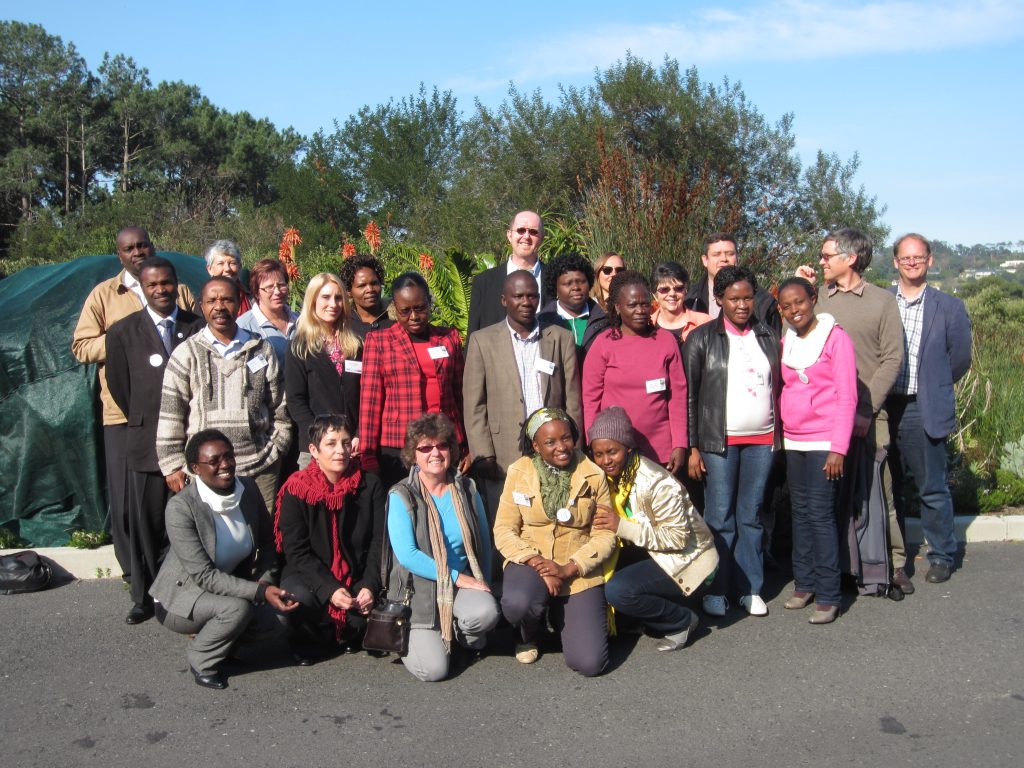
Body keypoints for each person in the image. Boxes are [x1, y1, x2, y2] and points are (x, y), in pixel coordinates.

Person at [72, 226, 195, 584]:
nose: (137, 252)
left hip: (180, 413)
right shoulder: (105, 295)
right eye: (129, 248)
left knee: (179, 497)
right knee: (131, 504)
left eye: (143, 245)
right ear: (120, 255)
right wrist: (124, 340)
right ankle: (135, 575)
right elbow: (81, 347)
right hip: (125, 413)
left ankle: (179, 576)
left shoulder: (180, 289)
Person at [796, 228, 905, 596]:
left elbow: (892, 359)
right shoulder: (818, 299)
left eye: (827, 255)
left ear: (851, 258)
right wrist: (799, 288)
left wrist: (865, 408)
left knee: (878, 496)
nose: (821, 260)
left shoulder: (881, 301)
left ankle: (892, 566)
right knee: (832, 501)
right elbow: (792, 342)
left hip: (870, 417)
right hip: (824, 422)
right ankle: (841, 570)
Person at [150, 430, 299, 689]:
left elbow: (266, 544)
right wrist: (259, 593)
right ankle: (202, 659)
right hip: (180, 599)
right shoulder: (181, 508)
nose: (226, 464)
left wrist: (264, 583)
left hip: (228, 586)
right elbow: (203, 576)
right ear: (195, 468)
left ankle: (223, 647)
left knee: (277, 620)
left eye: (229, 456)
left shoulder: (248, 489)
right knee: (236, 610)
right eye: (215, 460)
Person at [463, 271, 582, 576]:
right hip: (501, 455)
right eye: (518, 296)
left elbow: (572, 399)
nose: (526, 302)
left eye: (532, 295)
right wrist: (482, 453)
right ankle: (504, 591)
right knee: (504, 526)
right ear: (505, 300)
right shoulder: (482, 341)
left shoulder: (561, 338)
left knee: (554, 519)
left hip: (553, 450)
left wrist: (574, 447)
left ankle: (550, 588)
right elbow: (474, 404)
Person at [105, 257, 203, 625]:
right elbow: (120, 387)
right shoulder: (122, 332)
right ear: (142, 288)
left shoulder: (197, 326)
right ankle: (142, 596)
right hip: (145, 443)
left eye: (166, 283)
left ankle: (187, 594)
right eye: (152, 284)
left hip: (190, 442)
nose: (160, 289)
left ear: (177, 284)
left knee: (189, 523)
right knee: (145, 524)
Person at [683, 265, 780, 618]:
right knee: (719, 517)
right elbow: (690, 396)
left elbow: (778, 388)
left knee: (751, 516)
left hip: (762, 440)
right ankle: (716, 588)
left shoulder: (768, 335)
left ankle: (750, 588)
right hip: (717, 442)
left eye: (747, 297)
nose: (742, 305)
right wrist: (693, 446)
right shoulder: (702, 338)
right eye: (734, 298)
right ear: (719, 299)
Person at [157, 276, 292, 518]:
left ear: (239, 302)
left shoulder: (261, 349)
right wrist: (172, 465)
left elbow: (279, 405)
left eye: (227, 299)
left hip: (259, 465)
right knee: (213, 539)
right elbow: (171, 413)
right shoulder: (186, 353)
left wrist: (277, 448)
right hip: (205, 471)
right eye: (212, 301)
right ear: (202, 306)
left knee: (259, 537)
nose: (219, 306)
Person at [494, 408, 615, 676]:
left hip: (577, 569)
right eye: (550, 442)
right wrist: (538, 564)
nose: (561, 447)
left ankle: (560, 616)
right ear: (536, 446)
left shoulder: (593, 474)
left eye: (566, 438)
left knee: (590, 663)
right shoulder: (519, 471)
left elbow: (605, 536)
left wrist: (568, 569)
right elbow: (504, 529)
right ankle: (528, 632)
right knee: (518, 603)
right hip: (531, 561)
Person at [589, 406, 717, 650]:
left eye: (612, 452)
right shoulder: (608, 477)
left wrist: (621, 527)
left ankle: (681, 621)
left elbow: (678, 539)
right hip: (652, 550)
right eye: (598, 454)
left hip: (689, 557)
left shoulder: (656, 482)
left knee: (619, 591)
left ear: (628, 447)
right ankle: (639, 616)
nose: (605, 460)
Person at [383, 413, 499, 682]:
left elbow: (483, 542)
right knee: (434, 671)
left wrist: (485, 584)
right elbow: (409, 556)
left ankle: (461, 633)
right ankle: (422, 637)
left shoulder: (467, 488)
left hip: (460, 585)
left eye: (442, 445)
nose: (435, 452)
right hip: (419, 592)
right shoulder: (401, 495)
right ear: (414, 455)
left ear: (451, 450)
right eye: (425, 447)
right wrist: (458, 577)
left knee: (486, 612)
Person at [886, 234, 972, 586]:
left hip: (924, 407)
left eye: (918, 257)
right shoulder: (882, 302)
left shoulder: (949, 307)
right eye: (905, 258)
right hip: (885, 406)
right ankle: (895, 558)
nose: (912, 263)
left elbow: (960, 360)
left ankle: (941, 554)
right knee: (889, 488)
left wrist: (932, 385)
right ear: (895, 262)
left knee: (931, 487)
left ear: (930, 260)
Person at [776, 277, 857, 624]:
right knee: (800, 512)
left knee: (821, 516)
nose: (795, 310)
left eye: (800, 302)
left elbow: (848, 396)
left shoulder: (836, 339)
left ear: (813, 298)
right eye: (787, 305)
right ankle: (804, 583)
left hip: (825, 442)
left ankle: (828, 593)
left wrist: (838, 448)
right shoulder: (787, 341)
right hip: (794, 440)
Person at [275, 414, 385, 661]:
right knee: (299, 600)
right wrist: (329, 589)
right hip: (310, 574)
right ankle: (309, 639)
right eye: (331, 443)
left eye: (346, 443)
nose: (341, 451)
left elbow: (378, 542)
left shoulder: (371, 485)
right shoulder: (296, 488)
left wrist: (370, 585)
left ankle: (347, 631)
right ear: (313, 450)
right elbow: (296, 552)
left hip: (356, 571)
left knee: (361, 616)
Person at [359, 272, 468, 488]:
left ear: (429, 302)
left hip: (444, 442)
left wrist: (465, 444)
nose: (414, 316)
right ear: (394, 308)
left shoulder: (448, 338)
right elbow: (369, 402)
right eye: (405, 311)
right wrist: (367, 453)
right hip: (398, 445)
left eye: (420, 308)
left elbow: (460, 394)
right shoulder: (380, 341)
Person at [582, 271, 688, 475]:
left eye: (645, 304)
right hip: (615, 452)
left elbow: (678, 397)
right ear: (618, 307)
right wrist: (593, 442)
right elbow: (590, 398)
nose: (640, 310)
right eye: (632, 305)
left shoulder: (666, 341)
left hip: (661, 450)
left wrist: (680, 444)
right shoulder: (603, 344)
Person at [285, 273, 362, 469]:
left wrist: (359, 433)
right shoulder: (300, 347)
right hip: (316, 448)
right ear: (313, 301)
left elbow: (366, 395)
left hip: (352, 445)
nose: (333, 304)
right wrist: (321, 437)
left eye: (338, 298)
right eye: (326, 297)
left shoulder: (356, 345)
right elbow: (296, 400)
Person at [468, 211, 544, 336]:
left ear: (541, 238)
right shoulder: (484, 282)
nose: (526, 236)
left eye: (533, 232)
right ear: (509, 235)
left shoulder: (556, 280)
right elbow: (474, 335)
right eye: (520, 230)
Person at [685, 233, 780, 333]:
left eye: (730, 254)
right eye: (716, 254)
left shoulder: (763, 300)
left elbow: (773, 341)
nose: (724, 259)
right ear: (705, 260)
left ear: (737, 258)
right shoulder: (690, 299)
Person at [536, 252, 610, 360]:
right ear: (555, 288)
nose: (576, 287)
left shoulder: (605, 320)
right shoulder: (541, 322)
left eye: (581, 281)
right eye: (567, 283)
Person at [237, 259, 298, 366]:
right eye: (269, 287)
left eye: (281, 285)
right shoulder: (244, 327)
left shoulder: (300, 321)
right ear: (256, 292)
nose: (277, 292)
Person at [650, 261, 711, 343]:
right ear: (655, 295)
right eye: (664, 289)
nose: (672, 294)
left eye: (678, 288)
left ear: (686, 291)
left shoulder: (705, 323)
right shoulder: (646, 326)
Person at [339, 253, 394, 340]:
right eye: (362, 286)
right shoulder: (343, 324)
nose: (370, 289)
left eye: (374, 283)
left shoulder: (397, 317)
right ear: (349, 291)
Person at [204, 239, 252, 314]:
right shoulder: (204, 301)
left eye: (232, 263)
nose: (227, 269)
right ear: (210, 269)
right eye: (220, 263)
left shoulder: (252, 299)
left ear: (239, 267)